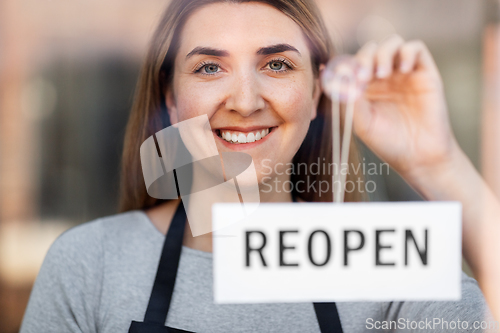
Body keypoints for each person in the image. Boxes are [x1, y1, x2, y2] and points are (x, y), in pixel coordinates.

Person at [20, 0, 498, 331]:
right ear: (169, 96)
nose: (246, 102)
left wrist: (440, 165)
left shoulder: (387, 263)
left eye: (277, 65)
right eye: (210, 67)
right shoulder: (89, 265)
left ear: (316, 94)